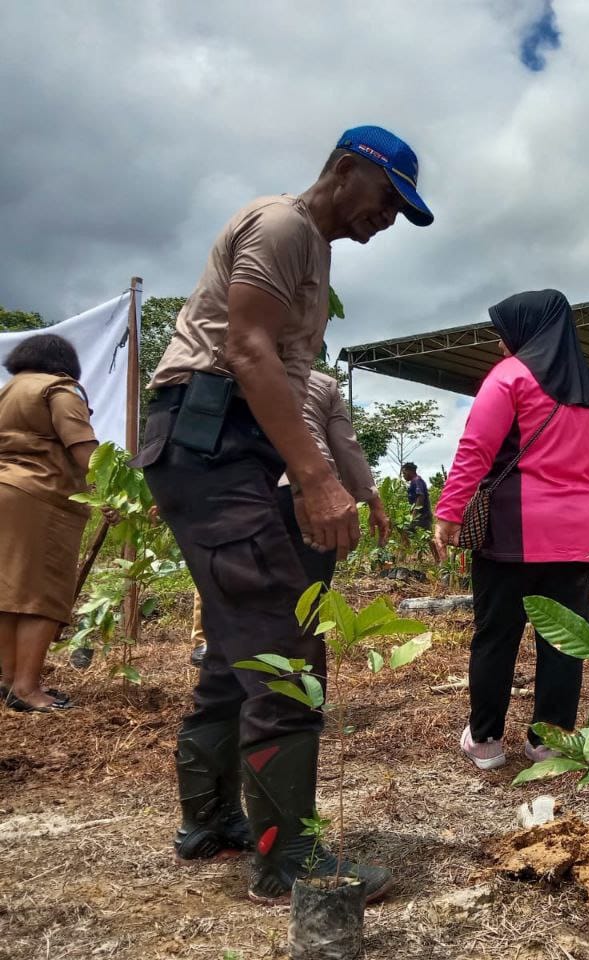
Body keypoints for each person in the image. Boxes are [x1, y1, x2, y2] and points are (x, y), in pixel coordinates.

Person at [136, 125, 432, 904]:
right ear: (343, 170)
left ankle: (211, 823)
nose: (389, 220)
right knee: (282, 650)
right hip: (214, 442)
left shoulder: (315, 247)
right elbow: (250, 351)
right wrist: (318, 479)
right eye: (388, 199)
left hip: (223, 448)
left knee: (242, 642)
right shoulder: (283, 225)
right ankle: (287, 864)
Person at [434, 290, 589, 770]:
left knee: (497, 634)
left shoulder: (510, 377)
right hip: (575, 536)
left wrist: (449, 513)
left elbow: (475, 449)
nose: (499, 344)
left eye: (503, 333)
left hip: (515, 533)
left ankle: (487, 741)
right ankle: (548, 740)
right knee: (563, 639)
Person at [188, 369, 391, 666]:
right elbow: (347, 445)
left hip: (248, 493)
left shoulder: (230, 371)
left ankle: (244, 689)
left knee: (241, 601)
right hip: (315, 497)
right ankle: (301, 697)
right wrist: (373, 501)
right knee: (306, 605)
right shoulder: (323, 383)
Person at [0, 334, 101, 712]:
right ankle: (27, 687)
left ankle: (10, 680)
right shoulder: (59, 391)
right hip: (41, 497)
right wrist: (115, 497)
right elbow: (89, 455)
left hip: (5, 489)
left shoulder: (7, 391)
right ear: (63, 365)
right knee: (43, 594)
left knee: (10, 593)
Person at [401, 461, 432, 532]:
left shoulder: (417, 481)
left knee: (424, 537)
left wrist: (414, 514)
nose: (403, 475)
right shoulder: (414, 482)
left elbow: (420, 497)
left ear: (410, 471)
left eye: (404, 473)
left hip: (422, 517)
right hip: (420, 516)